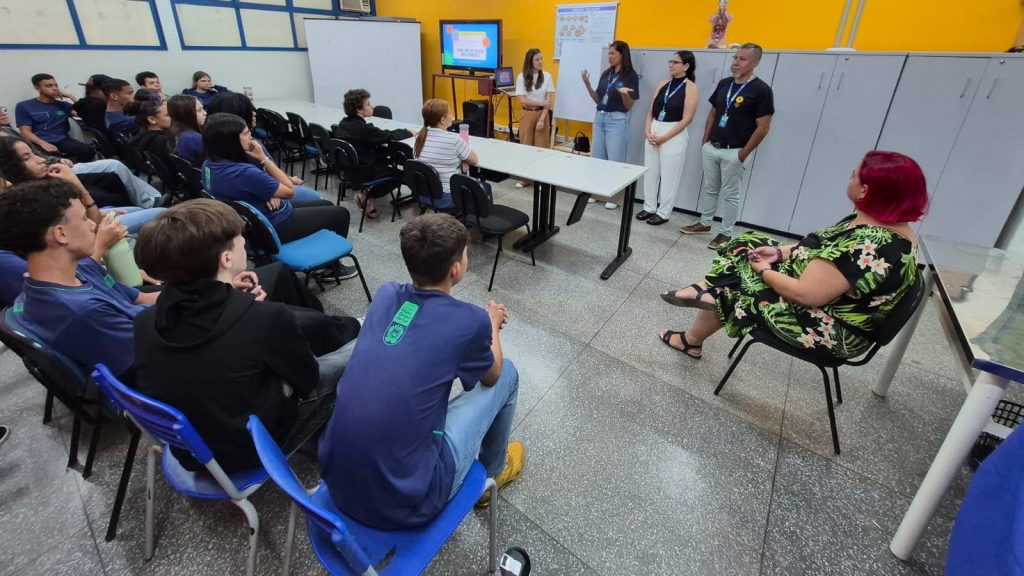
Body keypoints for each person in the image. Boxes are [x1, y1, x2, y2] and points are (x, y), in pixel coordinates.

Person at [319, 213, 524, 530]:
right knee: (508, 373)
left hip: (337, 481)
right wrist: (492, 325)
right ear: (456, 269)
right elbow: (492, 375)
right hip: (409, 501)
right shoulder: (471, 321)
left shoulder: (387, 294)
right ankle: (494, 471)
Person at [133, 200, 359, 472]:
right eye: (239, 239)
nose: (243, 242)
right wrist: (257, 314)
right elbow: (308, 381)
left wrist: (233, 297)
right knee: (362, 349)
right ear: (226, 259)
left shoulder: (145, 321)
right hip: (254, 448)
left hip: (193, 452)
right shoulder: (265, 319)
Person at [658, 151, 926, 362]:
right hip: (825, 298)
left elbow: (805, 294)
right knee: (748, 243)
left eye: (852, 176)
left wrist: (766, 270)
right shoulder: (877, 222)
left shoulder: (870, 243)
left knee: (739, 285)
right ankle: (704, 290)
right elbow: (816, 245)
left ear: (865, 191)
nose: (849, 178)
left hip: (828, 327)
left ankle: (695, 329)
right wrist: (777, 253)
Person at [0, 180, 158, 379]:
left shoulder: (79, 268)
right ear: (61, 233)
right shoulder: (80, 311)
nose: (93, 224)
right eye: (84, 219)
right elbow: (155, 359)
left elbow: (140, 299)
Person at [200, 113, 357, 280]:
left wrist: (266, 192)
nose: (251, 136)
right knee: (341, 214)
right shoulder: (244, 173)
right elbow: (290, 190)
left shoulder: (209, 165)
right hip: (272, 226)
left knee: (326, 204)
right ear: (231, 141)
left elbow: (246, 189)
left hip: (253, 226)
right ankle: (331, 269)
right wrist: (264, 159)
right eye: (246, 134)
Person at [680, 42, 774, 250]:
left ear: (755, 63)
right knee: (711, 188)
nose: (736, 62)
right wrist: (705, 140)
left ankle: (726, 233)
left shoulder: (761, 90)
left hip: (735, 151)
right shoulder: (725, 84)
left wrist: (743, 154)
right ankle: (705, 223)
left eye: (742, 59)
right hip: (713, 146)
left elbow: (763, 127)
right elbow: (713, 113)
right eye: (735, 57)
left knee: (731, 193)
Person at [206, 92, 321, 202]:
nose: (255, 113)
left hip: (266, 186)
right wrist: (270, 193)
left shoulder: (214, 151)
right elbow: (276, 183)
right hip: (269, 191)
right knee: (316, 198)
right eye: (249, 110)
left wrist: (287, 179)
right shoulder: (249, 149)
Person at [0, 137, 163, 210]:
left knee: (112, 177)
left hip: (93, 217)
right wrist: (74, 183)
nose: (39, 160)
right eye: (27, 158)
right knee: (158, 213)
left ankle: (146, 202)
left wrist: (53, 163)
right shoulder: (32, 198)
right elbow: (90, 219)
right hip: (92, 224)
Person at [636, 50, 699, 226]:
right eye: (670, 61)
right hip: (655, 128)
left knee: (670, 176)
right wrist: (647, 130)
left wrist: (664, 138)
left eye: (675, 62)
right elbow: (650, 111)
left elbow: (687, 119)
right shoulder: (663, 84)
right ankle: (649, 207)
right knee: (651, 172)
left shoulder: (691, 88)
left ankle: (663, 212)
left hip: (673, 132)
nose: (670, 65)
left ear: (686, 66)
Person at [333, 88, 415, 219]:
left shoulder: (344, 123)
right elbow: (388, 135)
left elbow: (379, 136)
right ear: (359, 109)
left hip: (351, 169)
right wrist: (409, 132)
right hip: (364, 170)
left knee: (385, 157)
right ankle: (367, 196)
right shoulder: (363, 128)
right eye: (368, 104)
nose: (372, 107)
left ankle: (366, 195)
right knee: (399, 174)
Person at [581, 40, 640, 210]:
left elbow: (629, 106)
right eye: (609, 53)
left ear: (622, 55)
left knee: (615, 160)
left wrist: (624, 96)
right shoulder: (607, 74)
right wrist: (587, 85)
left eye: (613, 53)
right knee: (597, 158)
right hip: (600, 117)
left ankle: (614, 197)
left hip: (617, 119)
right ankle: (596, 192)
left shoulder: (630, 75)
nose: (610, 56)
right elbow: (598, 99)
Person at [413, 99, 480, 211]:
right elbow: (474, 160)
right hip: (446, 198)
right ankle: (477, 222)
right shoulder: (454, 139)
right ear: (443, 120)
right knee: (484, 188)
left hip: (423, 195)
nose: (452, 116)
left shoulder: (420, 137)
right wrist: (461, 157)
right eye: (449, 113)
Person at [15, 73, 95, 163]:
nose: (55, 88)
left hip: (62, 140)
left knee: (87, 150)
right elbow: (25, 132)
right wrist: (43, 143)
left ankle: (79, 173)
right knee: (48, 158)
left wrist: (70, 96)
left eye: (56, 85)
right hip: (38, 141)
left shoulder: (64, 105)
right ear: (37, 88)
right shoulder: (24, 106)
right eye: (48, 86)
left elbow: (86, 113)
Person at [513, 48, 555, 188]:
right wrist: (542, 103)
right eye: (537, 59)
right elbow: (523, 100)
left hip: (542, 114)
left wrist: (543, 118)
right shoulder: (522, 77)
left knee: (541, 147)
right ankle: (524, 178)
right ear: (530, 61)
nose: (541, 62)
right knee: (526, 145)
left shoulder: (547, 76)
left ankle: (541, 179)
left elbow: (549, 102)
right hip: (527, 113)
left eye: (541, 59)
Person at [167, 94, 206, 165]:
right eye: (199, 110)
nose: (205, 113)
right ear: (186, 114)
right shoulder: (192, 138)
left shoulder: (176, 131)